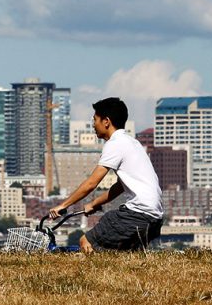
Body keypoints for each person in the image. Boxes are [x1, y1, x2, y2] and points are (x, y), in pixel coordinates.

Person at [49, 97, 163, 253]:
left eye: (95, 119)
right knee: (122, 255)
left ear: (106, 121)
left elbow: (91, 183)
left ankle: (92, 277)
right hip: (154, 219)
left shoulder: (115, 144)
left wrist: (63, 205)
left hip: (137, 215)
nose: (93, 124)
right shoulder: (133, 143)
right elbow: (120, 186)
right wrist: (95, 203)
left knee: (86, 242)